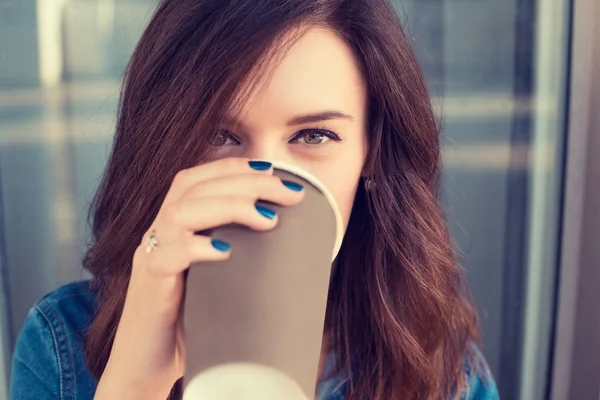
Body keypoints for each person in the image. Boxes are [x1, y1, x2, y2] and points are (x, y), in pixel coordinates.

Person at [9, 0, 500, 399]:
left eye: (313, 136)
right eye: (220, 135)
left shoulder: (440, 370)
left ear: (369, 150)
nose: (262, 185)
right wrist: (135, 385)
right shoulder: (61, 346)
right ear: (167, 147)